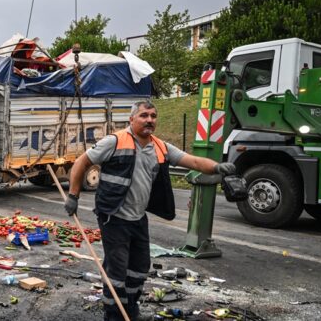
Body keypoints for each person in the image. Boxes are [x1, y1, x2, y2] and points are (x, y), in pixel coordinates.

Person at [64, 101, 235, 321]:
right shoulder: (115, 141)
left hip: (138, 218)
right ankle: (114, 315)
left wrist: (216, 167)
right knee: (116, 270)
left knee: (139, 267)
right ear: (131, 119)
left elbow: (191, 160)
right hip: (113, 217)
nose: (150, 120)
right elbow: (81, 163)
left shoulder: (160, 146)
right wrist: (73, 195)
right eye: (144, 115)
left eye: (153, 116)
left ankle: (131, 309)